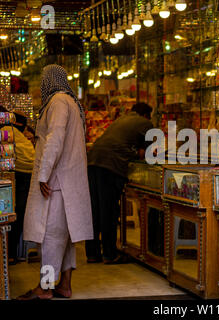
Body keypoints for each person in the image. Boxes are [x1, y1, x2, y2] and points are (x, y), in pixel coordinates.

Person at [17, 64, 93, 300]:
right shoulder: (70, 102)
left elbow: (55, 139)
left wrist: (43, 174)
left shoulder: (58, 101)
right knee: (66, 237)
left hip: (56, 182)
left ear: (49, 80)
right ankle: (64, 285)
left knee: (50, 236)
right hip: (67, 182)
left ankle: (46, 287)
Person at [85, 102, 154, 264]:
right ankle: (110, 254)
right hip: (110, 166)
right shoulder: (145, 123)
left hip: (93, 161)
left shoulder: (121, 120)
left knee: (95, 211)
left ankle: (92, 253)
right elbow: (150, 153)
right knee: (108, 211)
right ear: (146, 115)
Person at [1, 111, 35, 265]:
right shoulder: (19, 134)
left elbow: (6, 160)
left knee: (10, 214)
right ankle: (13, 254)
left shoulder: (5, 131)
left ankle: (10, 255)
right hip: (29, 174)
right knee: (18, 214)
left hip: (18, 175)